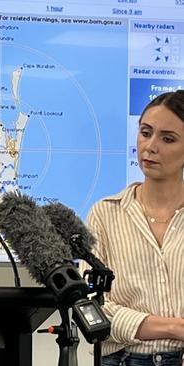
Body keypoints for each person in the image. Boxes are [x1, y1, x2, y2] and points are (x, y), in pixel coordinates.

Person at [85, 90, 184, 366]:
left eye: (168, 138)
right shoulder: (105, 214)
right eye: (145, 132)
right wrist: (175, 328)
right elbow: (93, 308)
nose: (150, 146)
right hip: (121, 359)